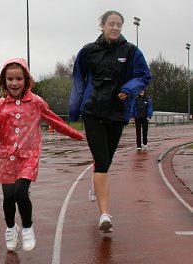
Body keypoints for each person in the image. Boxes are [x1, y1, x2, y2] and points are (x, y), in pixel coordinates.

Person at [0, 58, 83, 252]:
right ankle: (11, 228)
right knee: (8, 198)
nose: (14, 83)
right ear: (4, 81)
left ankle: (27, 227)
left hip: (28, 156)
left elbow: (54, 121)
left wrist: (75, 134)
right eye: (10, 79)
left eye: (19, 78)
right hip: (5, 158)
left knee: (21, 192)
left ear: (26, 79)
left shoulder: (36, 103)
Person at [69, 10, 152, 233]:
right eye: (111, 24)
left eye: (119, 25)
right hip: (93, 111)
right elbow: (78, 78)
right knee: (102, 161)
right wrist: (74, 108)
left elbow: (145, 75)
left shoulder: (131, 51)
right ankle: (105, 215)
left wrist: (128, 89)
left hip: (117, 112)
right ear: (102, 26)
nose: (115, 28)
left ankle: (98, 182)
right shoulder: (88, 51)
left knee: (106, 159)